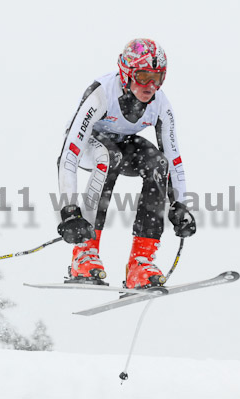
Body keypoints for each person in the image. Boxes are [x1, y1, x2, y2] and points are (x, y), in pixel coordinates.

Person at [56, 38, 196, 289]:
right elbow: (69, 154)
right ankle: (84, 253)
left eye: (158, 77)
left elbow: (174, 159)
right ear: (126, 74)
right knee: (110, 157)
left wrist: (180, 205)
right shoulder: (102, 93)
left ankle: (140, 263)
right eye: (143, 76)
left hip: (121, 143)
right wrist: (69, 212)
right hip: (89, 146)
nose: (150, 85)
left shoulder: (160, 104)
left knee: (157, 164)